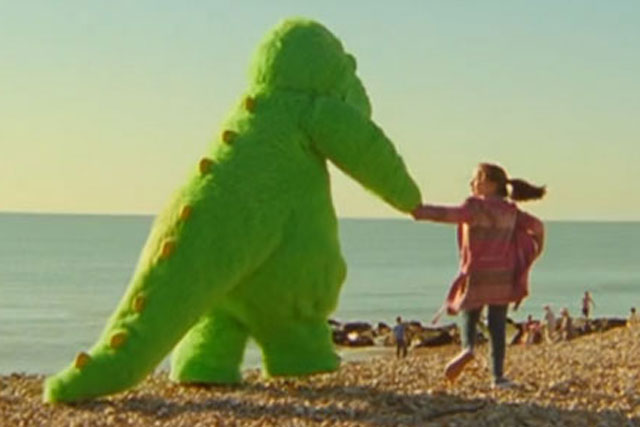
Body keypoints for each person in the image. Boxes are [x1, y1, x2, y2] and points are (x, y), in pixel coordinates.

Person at [412, 163, 545, 389]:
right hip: (502, 276)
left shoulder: (474, 207)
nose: (471, 183)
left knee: (468, 312)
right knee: (497, 327)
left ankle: (468, 348)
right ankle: (498, 377)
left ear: (489, 183)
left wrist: (419, 211)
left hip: (477, 273)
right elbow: (538, 227)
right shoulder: (511, 211)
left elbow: (447, 214)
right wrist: (534, 251)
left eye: (476, 179)